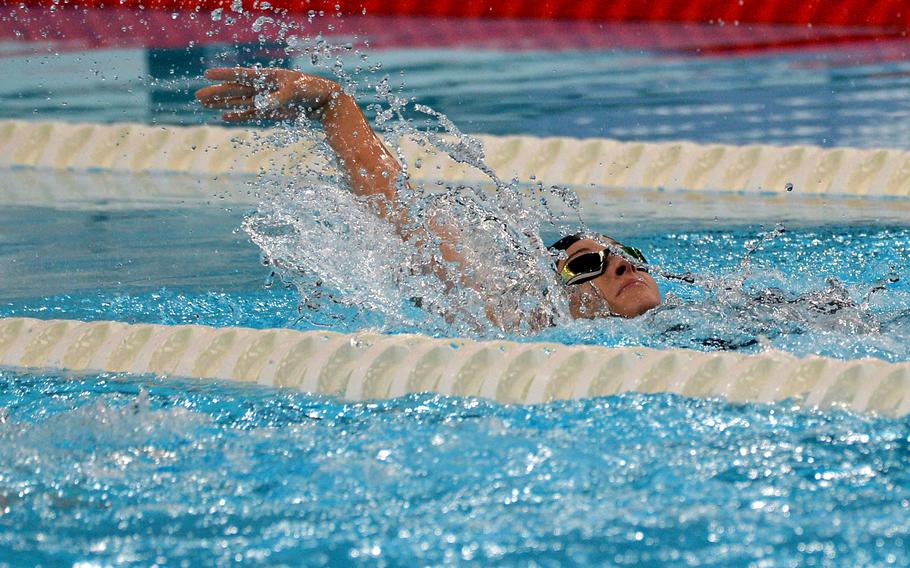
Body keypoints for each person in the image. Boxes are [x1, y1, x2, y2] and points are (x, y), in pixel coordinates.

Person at [196, 67, 662, 326]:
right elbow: (398, 210)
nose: (622, 266)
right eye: (585, 265)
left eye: (628, 256)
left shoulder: (712, 313)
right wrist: (332, 104)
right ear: (551, 295)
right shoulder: (517, 325)